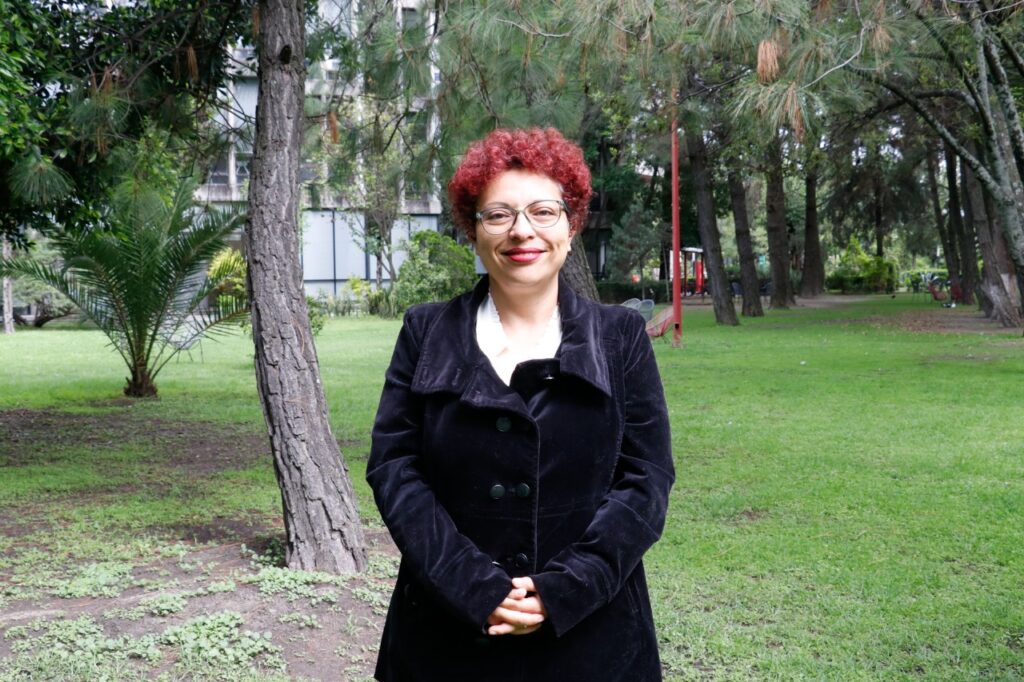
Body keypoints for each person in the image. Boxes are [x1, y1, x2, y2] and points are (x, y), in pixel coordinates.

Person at [366, 127, 674, 681]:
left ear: (571, 225)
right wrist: (473, 585)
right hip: (444, 640)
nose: (521, 231)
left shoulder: (620, 338)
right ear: (474, 230)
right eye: (499, 214)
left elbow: (646, 478)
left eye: (542, 212)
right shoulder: (425, 332)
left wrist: (565, 589)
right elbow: (395, 469)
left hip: (592, 643)